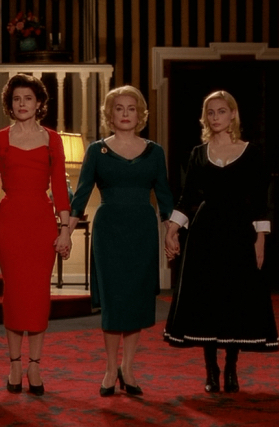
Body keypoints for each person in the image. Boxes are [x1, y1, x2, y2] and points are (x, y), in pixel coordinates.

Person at [164, 90, 278, 393]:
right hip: (205, 234)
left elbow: (260, 200)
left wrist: (260, 240)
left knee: (235, 299)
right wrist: (172, 229)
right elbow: (188, 198)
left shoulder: (252, 152)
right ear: (205, 117)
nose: (215, 117)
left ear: (233, 115)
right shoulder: (197, 154)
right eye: (210, 112)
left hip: (240, 233)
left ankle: (231, 368)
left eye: (221, 112)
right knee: (208, 300)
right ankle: (211, 370)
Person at [68, 86, 173, 396]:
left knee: (137, 299)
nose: (126, 113)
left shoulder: (155, 152)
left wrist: (171, 231)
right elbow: (82, 193)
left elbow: (165, 196)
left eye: (131, 108)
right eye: (119, 108)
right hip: (109, 231)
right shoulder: (95, 150)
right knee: (114, 301)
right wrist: (65, 231)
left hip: (142, 229)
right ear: (109, 114)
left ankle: (128, 368)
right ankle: (110, 368)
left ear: (139, 115)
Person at [0, 74, 72, 396]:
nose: (22, 104)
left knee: (38, 293)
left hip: (41, 222)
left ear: (39, 103)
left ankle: (35, 363)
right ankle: (14, 363)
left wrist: (65, 230)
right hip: (11, 222)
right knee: (15, 293)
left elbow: (60, 187)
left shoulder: (53, 140)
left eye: (28, 99)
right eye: (17, 99)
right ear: (10, 103)